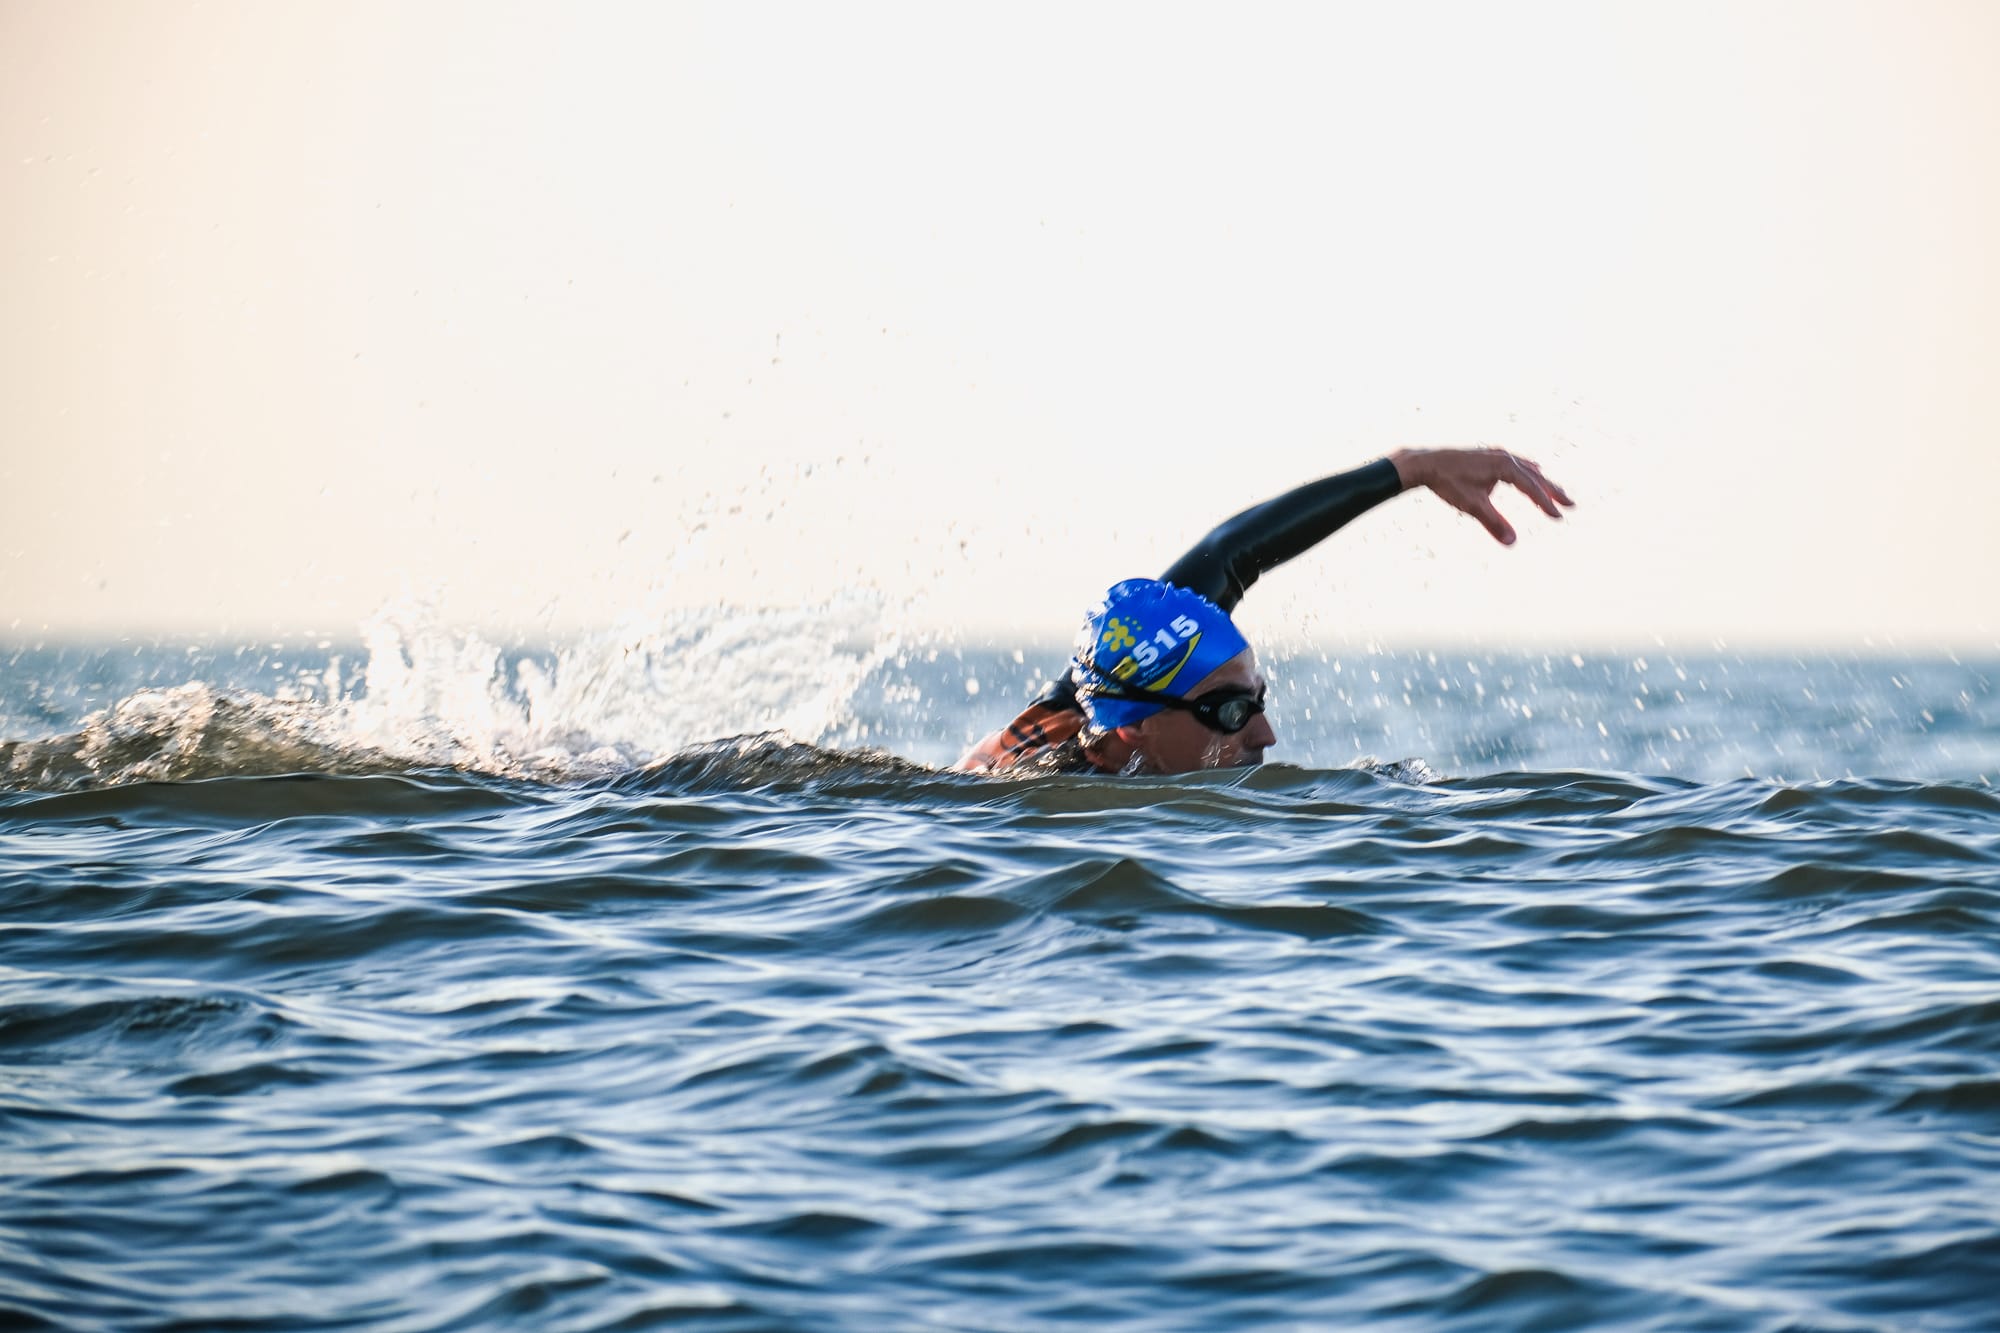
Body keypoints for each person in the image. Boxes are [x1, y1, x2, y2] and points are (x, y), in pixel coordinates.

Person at [955, 447, 1573, 776]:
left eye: (1258, 700)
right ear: (1132, 728)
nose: (1266, 734)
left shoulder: (1125, 672)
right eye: (1230, 711)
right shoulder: (1023, 804)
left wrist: (1413, 469)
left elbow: (1234, 551)